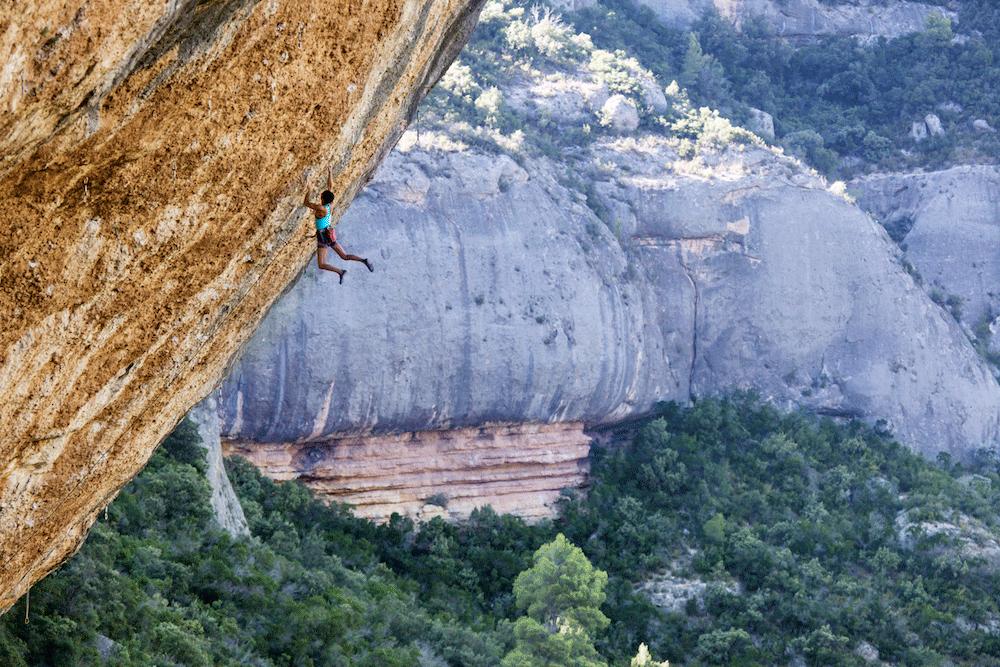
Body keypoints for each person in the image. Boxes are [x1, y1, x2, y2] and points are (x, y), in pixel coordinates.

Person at [303, 168, 373, 283]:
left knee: (321, 264)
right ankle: (363, 260)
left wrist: (309, 189)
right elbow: (331, 187)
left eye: (321, 196)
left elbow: (306, 203)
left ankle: (340, 271)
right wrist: (330, 172)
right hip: (329, 234)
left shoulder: (321, 208)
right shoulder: (329, 205)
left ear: (322, 199)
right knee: (344, 256)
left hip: (323, 237)